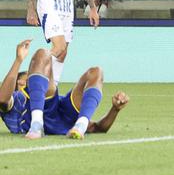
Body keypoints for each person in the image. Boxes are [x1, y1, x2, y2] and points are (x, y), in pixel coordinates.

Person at [24, 0, 100, 139]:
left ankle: (50, 93)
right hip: (48, 7)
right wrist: (31, 8)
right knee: (57, 47)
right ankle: (35, 76)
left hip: (68, 9)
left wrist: (92, 8)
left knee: (63, 52)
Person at [1, 41, 129, 139]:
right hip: (33, 116)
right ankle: (36, 125)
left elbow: (97, 128)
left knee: (96, 72)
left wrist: (115, 109)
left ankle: (80, 125)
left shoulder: (59, 105)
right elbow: (2, 99)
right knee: (42, 54)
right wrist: (18, 60)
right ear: (22, 83)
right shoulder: (18, 100)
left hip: (56, 111)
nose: (43, 77)